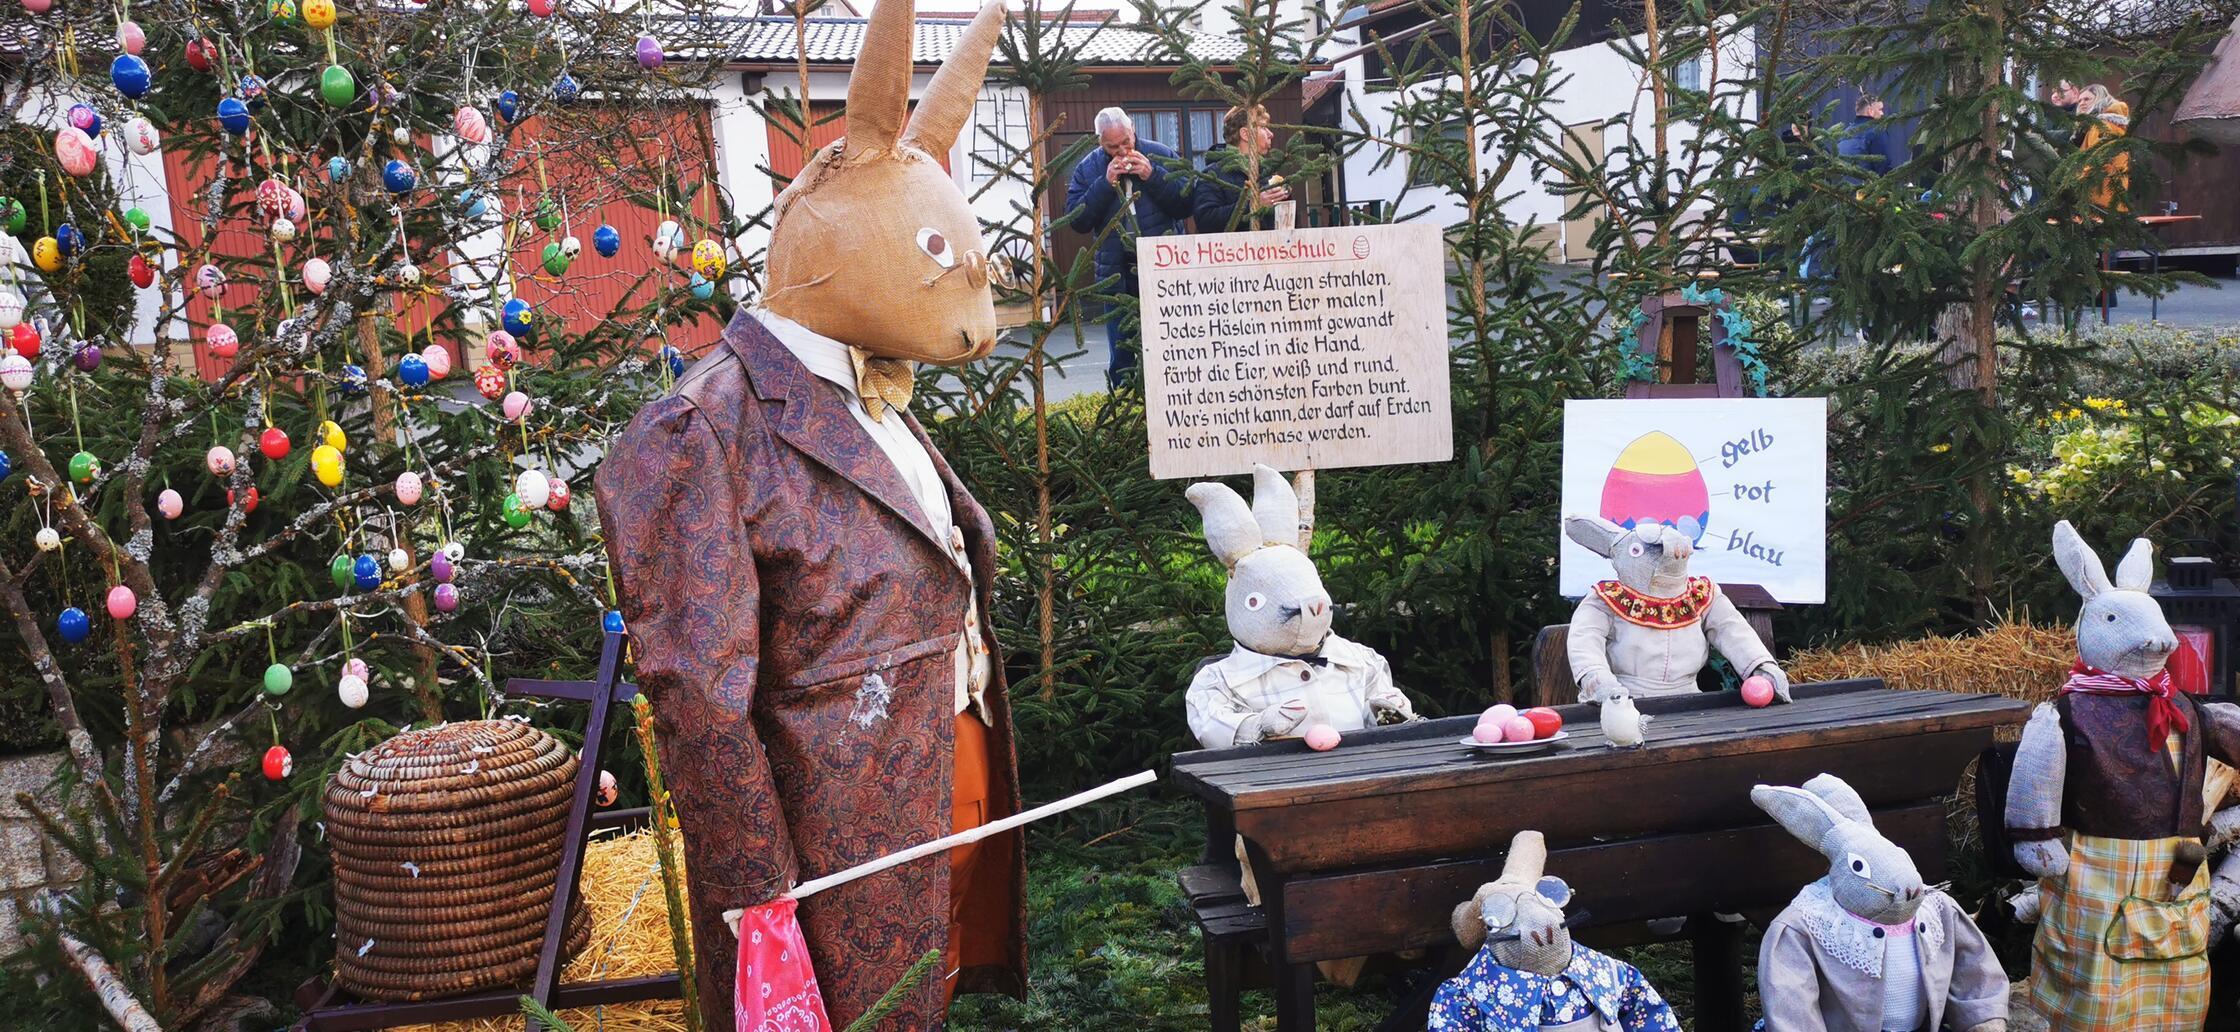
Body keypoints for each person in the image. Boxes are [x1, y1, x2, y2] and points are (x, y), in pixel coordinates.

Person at [593, 2, 1025, 1028]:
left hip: (939, 781)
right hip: (830, 843)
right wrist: (762, 905)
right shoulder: (701, 430)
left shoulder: (874, 390)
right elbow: (697, 697)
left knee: (931, 996)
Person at [1063, 106, 1192, 386]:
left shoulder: (1161, 154)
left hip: (1163, 270)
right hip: (1116, 273)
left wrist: (1153, 175)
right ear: (1100, 142)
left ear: (1133, 129)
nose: (1122, 152)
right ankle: (1123, 405)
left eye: (1126, 142)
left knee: (1168, 347)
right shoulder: (1088, 168)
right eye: (1113, 147)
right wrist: (1105, 183)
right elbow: (1077, 220)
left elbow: (1186, 204)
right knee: (1121, 355)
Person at [1191, 104, 1292, 233]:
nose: (1271, 134)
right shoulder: (1213, 175)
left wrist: (1285, 197)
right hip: (1232, 252)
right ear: (1245, 134)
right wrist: (1253, 205)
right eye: (1264, 128)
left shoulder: (1267, 173)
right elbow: (1206, 222)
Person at [2075, 83, 2132, 211]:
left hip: (2101, 197)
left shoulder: (2103, 125)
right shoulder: (2101, 125)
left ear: (2100, 99)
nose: (2082, 103)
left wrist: (2073, 181)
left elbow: (2098, 160)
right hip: (2108, 194)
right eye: (2079, 100)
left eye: (2087, 99)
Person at [1835, 92, 1892, 180]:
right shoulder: (1876, 130)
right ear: (1870, 111)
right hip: (1865, 190)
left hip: (1840, 189)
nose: (1882, 114)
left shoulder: (1844, 134)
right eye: (1880, 109)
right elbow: (1883, 166)